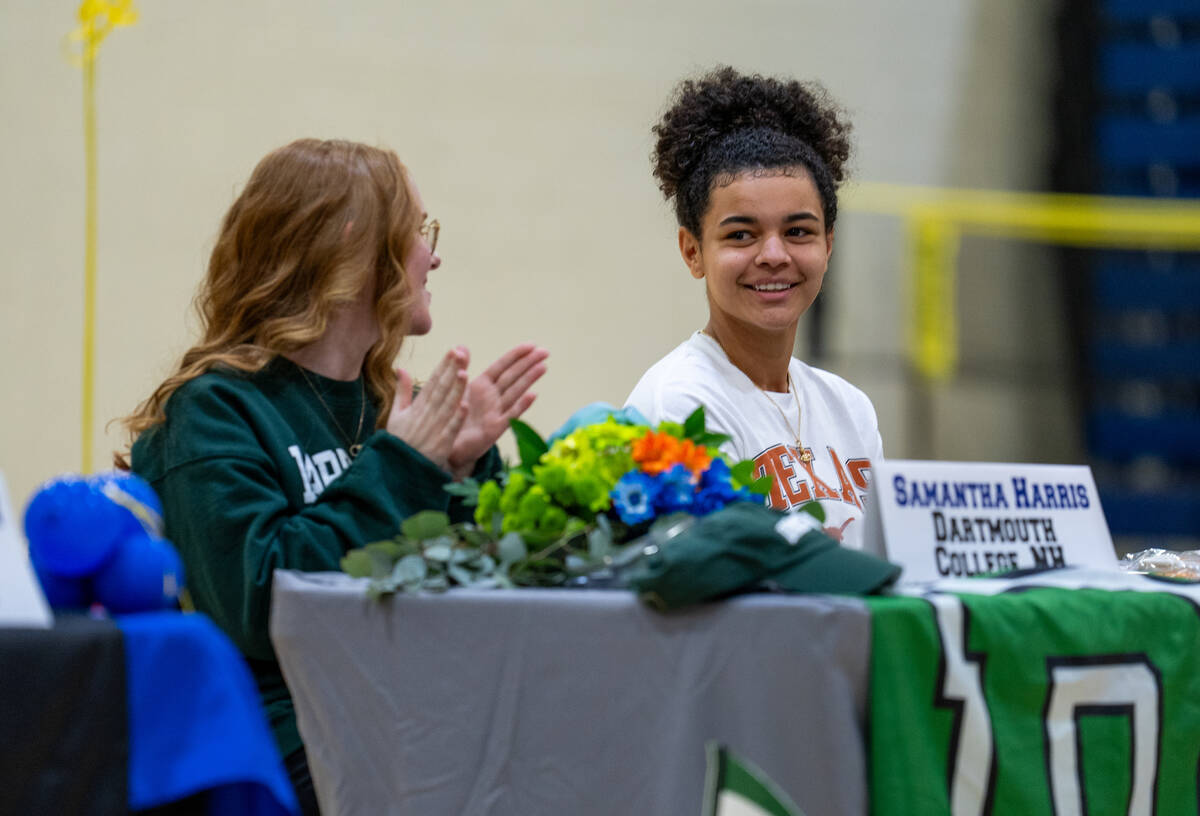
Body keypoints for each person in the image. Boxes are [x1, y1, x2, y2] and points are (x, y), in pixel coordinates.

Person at [115, 138, 548, 814]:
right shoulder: (212, 410)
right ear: (354, 245)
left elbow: (484, 601)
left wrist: (461, 471)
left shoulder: (394, 406)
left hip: (415, 719)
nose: (433, 256)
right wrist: (404, 470)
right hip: (286, 745)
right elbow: (263, 605)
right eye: (418, 232)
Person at [625, 67, 883, 550]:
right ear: (693, 251)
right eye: (741, 234)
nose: (774, 255)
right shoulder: (680, 404)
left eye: (798, 231)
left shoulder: (850, 409)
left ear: (828, 245)